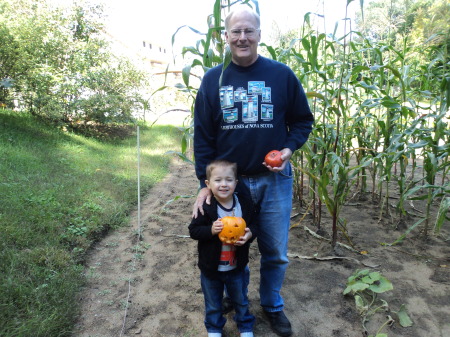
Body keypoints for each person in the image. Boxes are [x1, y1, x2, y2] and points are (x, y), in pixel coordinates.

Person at [191, 4, 314, 337]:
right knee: (231, 242)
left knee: (274, 250)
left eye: (249, 30)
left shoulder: (281, 75)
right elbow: (203, 136)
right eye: (236, 31)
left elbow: (303, 120)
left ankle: (272, 305)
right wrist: (205, 182)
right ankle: (234, 298)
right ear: (225, 36)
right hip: (231, 184)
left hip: (274, 181)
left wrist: (287, 150)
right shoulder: (212, 80)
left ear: (259, 34)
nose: (242, 37)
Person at [189, 159, 258, 337]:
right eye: (218, 180)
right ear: (208, 184)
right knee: (213, 302)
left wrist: (250, 235)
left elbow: (254, 224)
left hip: (237, 266)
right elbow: (194, 230)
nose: (223, 184)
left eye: (228, 180)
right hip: (211, 268)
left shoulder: (244, 203)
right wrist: (211, 230)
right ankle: (214, 328)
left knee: (241, 300)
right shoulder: (205, 206)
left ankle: (245, 326)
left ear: (236, 183)